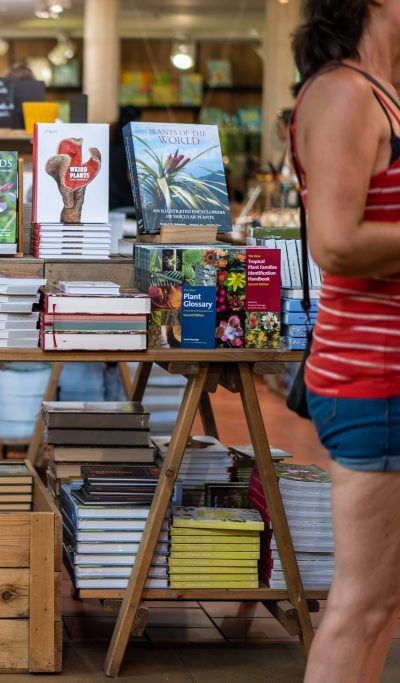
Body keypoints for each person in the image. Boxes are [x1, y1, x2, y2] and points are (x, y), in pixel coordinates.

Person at [290, 2, 400, 682]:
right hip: (376, 378)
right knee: (361, 605)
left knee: (382, 604)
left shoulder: (381, 96)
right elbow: (333, 242)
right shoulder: (343, 92)